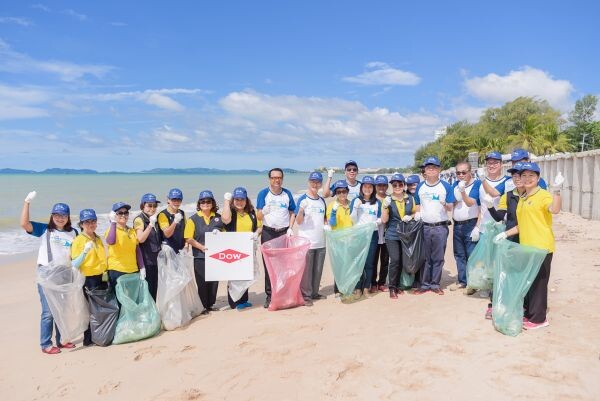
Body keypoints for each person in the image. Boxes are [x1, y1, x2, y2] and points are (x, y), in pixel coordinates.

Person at [494, 163, 563, 330]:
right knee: (530, 283)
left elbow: (554, 209)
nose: (527, 179)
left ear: (538, 178)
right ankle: (531, 314)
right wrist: (505, 234)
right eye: (524, 176)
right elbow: (522, 225)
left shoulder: (543, 195)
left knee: (539, 284)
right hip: (527, 247)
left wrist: (558, 191)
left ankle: (539, 319)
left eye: (531, 176)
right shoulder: (523, 198)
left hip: (541, 247)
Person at [20, 192, 78, 354]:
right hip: (46, 274)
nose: (60, 218)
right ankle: (46, 344)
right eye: (57, 215)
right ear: (52, 216)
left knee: (62, 309)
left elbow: (77, 254)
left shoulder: (74, 232)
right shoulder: (45, 229)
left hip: (65, 274)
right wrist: (27, 202)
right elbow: (24, 224)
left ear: (68, 217)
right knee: (48, 311)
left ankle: (62, 340)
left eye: (63, 215)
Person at [482, 162, 526, 319]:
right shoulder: (507, 196)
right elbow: (500, 217)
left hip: (528, 240)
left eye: (520, 175)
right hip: (510, 238)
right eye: (514, 176)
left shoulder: (531, 195)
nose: (517, 178)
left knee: (522, 274)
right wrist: (489, 207)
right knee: (502, 273)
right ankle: (493, 305)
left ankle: (520, 306)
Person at [413, 156, 455, 295]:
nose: (431, 170)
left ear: (439, 169)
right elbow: (418, 204)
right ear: (424, 170)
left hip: (440, 227)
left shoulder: (446, 186)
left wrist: (445, 204)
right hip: (424, 226)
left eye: (434, 167)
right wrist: (417, 214)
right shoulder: (420, 186)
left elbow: (450, 207)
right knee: (425, 257)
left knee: (438, 257)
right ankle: (425, 285)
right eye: (428, 167)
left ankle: (435, 284)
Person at [256, 168, 296, 308]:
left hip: (284, 232)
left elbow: (292, 212)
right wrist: (263, 211)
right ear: (269, 179)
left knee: (284, 265)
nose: (276, 180)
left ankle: (283, 293)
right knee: (269, 265)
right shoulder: (263, 194)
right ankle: (270, 295)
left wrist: (291, 228)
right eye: (273, 178)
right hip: (268, 233)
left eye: (279, 177)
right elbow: (259, 216)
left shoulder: (287, 193)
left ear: (282, 179)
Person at [221, 187, 262, 310]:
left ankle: (243, 300)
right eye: (237, 199)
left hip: (248, 248)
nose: (239, 202)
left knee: (246, 274)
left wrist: (256, 234)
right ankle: (234, 302)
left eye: (242, 199)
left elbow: (259, 227)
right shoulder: (230, 212)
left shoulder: (251, 213)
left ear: (246, 200)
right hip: (233, 249)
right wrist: (226, 201)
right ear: (233, 200)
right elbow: (225, 219)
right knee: (234, 276)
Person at [184, 190, 225, 314]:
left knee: (214, 281)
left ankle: (210, 304)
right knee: (202, 281)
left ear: (212, 203)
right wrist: (201, 247)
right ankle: (202, 306)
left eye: (208, 201)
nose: (205, 204)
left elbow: (225, 234)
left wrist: (221, 234)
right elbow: (188, 238)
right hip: (200, 256)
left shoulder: (219, 218)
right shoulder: (193, 219)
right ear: (199, 203)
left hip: (216, 255)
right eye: (202, 201)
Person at [71, 209, 108, 346]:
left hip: (101, 276)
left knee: (99, 308)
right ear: (81, 224)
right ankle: (88, 338)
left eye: (93, 221)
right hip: (88, 278)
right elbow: (74, 263)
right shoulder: (79, 240)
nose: (91, 224)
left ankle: (100, 334)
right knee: (90, 309)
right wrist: (85, 251)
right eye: (87, 222)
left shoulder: (97, 238)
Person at [381, 174, 416, 299]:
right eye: (394, 185)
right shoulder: (388, 200)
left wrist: (411, 217)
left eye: (400, 184)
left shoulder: (410, 198)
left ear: (404, 185)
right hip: (392, 234)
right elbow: (384, 220)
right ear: (391, 186)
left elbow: (415, 212)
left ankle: (398, 286)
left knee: (403, 260)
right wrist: (385, 206)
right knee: (395, 260)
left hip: (406, 234)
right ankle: (392, 287)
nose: (397, 187)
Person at [295, 172, 328, 306]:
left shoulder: (321, 201)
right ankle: (306, 296)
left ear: (320, 183)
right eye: (313, 182)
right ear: (309, 182)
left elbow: (324, 218)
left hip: (321, 241)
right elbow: (298, 221)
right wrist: (301, 210)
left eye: (318, 182)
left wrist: (327, 226)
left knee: (318, 269)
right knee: (307, 272)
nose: (315, 184)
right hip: (307, 241)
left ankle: (314, 292)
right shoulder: (303, 199)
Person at [449, 161, 481, 292]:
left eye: (464, 172)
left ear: (470, 172)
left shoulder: (476, 184)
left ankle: (473, 282)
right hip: (457, 225)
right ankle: (463, 281)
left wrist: (462, 191)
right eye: (458, 173)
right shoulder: (455, 184)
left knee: (471, 255)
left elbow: (470, 202)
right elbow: (451, 203)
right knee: (459, 255)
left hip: (470, 224)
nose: (461, 175)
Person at [349, 176, 382, 298]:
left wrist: (375, 223)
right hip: (359, 235)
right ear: (361, 188)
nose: (367, 189)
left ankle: (366, 287)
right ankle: (358, 288)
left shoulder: (377, 202)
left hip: (372, 235)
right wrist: (356, 207)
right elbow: (352, 220)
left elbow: (380, 219)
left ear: (373, 188)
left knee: (369, 262)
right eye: (365, 186)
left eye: (370, 186)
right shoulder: (356, 200)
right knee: (358, 262)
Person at [105, 202, 145, 290]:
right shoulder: (111, 230)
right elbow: (111, 241)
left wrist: (142, 267)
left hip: (133, 270)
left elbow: (137, 250)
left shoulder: (131, 231)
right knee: (120, 302)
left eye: (126, 212)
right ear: (114, 215)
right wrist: (113, 223)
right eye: (120, 213)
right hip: (117, 270)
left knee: (132, 301)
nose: (123, 215)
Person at [326, 180, 353, 297]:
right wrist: (333, 212)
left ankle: (348, 287)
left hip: (351, 239)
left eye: (344, 191)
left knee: (349, 264)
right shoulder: (332, 205)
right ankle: (338, 290)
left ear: (347, 191)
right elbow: (331, 224)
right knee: (339, 265)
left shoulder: (352, 204)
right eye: (339, 192)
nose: (342, 194)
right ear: (336, 193)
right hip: (338, 241)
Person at [133, 193, 161, 300]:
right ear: (143, 206)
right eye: (149, 205)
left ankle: (152, 313)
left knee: (155, 289)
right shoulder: (139, 220)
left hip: (156, 260)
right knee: (146, 291)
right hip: (145, 260)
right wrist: (150, 225)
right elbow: (140, 239)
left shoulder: (154, 218)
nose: (152, 208)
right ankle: (146, 315)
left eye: (154, 206)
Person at [372, 175, 390, 292]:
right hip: (374, 234)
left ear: (387, 186)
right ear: (375, 186)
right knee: (373, 260)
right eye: (379, 185)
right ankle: (373, 283)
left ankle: (382, 282)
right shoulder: (371, 199)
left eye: (384, 185)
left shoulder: (389, 198)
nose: (381, 187)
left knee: (385, 260)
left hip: (387, 234)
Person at [157, 188, 186, 252]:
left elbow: (185, 230)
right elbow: (167, 234)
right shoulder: (163, 215)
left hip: (181, 250)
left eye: (179, 200)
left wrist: (187, 243)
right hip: (169, 250)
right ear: (168, 200)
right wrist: (175, 221)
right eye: (174, 200)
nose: (176, 202)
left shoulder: (182, 213)